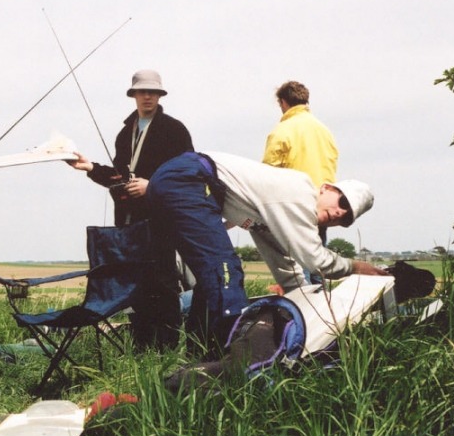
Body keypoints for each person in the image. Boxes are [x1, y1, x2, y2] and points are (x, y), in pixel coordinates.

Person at [147, 151, 388, 356]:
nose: (338, 213)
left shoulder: (278, 214)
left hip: (180, 180)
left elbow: (284, 264)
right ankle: (231, 358)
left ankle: (198, 354)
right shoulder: (300, 193)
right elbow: (315, 260)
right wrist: (357, 267)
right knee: (225, 271)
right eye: (342, 202)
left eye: (346, 218)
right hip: (189, 179)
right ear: (325, 188)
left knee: (214, 274)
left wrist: (310, 306)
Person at [68, 69, 193, 349]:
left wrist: (152, 186)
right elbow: (120, 176)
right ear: (134, 95)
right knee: (136, 286)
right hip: (129, 222)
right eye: (142, 91)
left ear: (160, 95)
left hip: (159, 221)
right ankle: (141, 348)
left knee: (164, 284)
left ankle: (168, 348)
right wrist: (89, 168)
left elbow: (188, 172)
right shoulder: (126, 133)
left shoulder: (175, 130)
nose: (147, 96)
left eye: (153, 92)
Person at [263, 80, 339, 285]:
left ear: (283, 102)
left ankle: (303, 312)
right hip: (322, 205)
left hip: (293, 207)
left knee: (297, 271)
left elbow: (267, 174)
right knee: (318, 266)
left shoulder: (282, 130)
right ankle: (325, 313)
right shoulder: (324, 131)